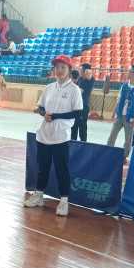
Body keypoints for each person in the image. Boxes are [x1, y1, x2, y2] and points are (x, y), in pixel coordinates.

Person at [24, 55, 82, 217]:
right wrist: (44, 114)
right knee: (42, 168)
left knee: (61, 170)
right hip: (44, 135)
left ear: (69, 70)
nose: (59, 70)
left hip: (61, 137)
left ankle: (64, 201)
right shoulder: (49, 87)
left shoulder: (74, 90)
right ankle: (39, 196)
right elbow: (41, 107)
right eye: (57, 67)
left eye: (63, 67)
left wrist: (55, 116)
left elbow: (77, 113)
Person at [107, 64, 134, 159]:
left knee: (128, 140)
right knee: (112, 135)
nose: (129, 73)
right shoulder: (124, 85)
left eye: (131, 72)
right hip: (119, 115)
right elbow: (118, 100)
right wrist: (114, 112)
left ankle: (124, 157)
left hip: (130, 117)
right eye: (129, 71)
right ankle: (107, 152)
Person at [72, 63, 94, 142]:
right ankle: (73, 142)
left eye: (81, 70)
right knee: (74, 126)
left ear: (86, 71)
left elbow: (89, 75)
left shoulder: (90, 79)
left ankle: (84, 144)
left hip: (84, 106)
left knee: (82, 127)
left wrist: (87, 70)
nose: (80, 71)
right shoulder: (80, 79)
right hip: (76, 106)